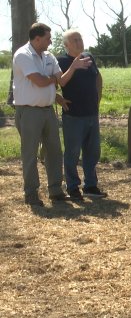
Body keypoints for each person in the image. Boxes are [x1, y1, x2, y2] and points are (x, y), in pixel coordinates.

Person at [12, 23, 88, 206]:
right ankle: (31, 193)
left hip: (48, 111)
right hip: (29, 111)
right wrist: (53, 81)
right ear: (37, 39)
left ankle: (55, 191)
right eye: (47, 38)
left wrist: (74, 66)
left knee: (54, 151)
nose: (51, 41)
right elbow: (38, 81)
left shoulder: (49, 56)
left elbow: (60, 80)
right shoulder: (23, 55)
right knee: (29, 153)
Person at [56, 29, 107, 200]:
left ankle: (91, 185)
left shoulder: (89, 58)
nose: (79, 42)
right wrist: (74, 66)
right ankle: (72, 187)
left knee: (93, 152)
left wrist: (97, 100)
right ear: (66, 45)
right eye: (75, 40)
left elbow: (98, 78)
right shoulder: (61, 61)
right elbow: (58, 82)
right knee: (72, 152)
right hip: (73, 116)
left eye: (80, 38)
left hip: (91, 113)